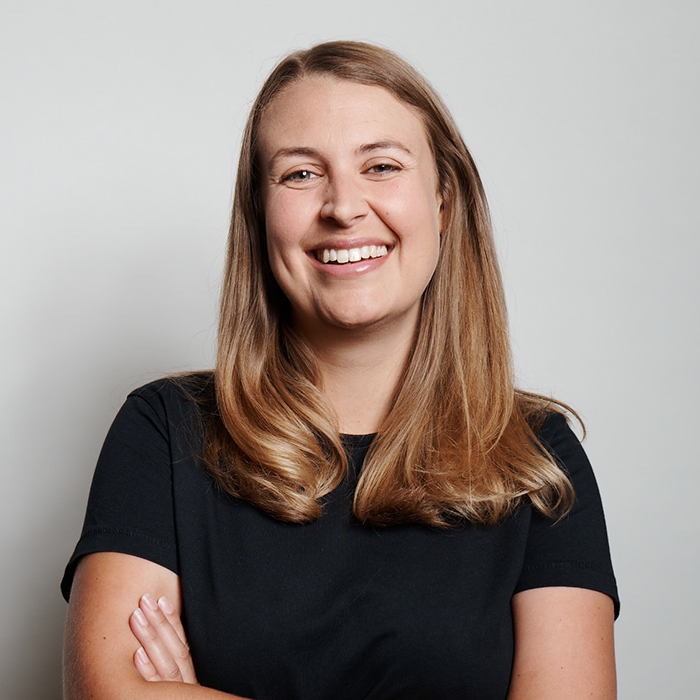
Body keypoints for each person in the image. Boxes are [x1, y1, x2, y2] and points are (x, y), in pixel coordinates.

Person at [61, 40, 619, 700]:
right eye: (300, 175)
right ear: (260, 215)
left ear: (443, 200)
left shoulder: (536, 458)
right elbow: (109, 692)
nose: (344, 206)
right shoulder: (163, 434)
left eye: (381, 166)